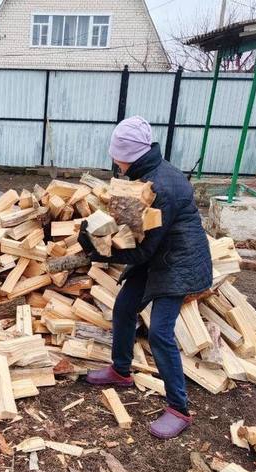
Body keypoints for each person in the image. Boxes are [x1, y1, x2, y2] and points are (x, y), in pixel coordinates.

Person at [78, 116, 212, 439]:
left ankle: (179, 408)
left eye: (117, 155)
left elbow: (142, 251)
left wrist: (100, 251)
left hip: (179, 264)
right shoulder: (143, 174)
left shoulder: (161, 187)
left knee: (160, 333)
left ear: (131, 154)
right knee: (124, 308)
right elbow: (135, 231)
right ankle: (121, 371)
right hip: (159, 257)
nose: (114, 160)